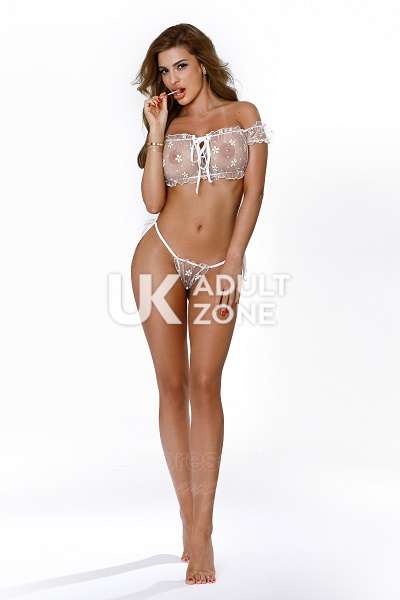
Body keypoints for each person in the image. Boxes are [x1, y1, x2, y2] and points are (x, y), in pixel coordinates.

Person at [130, 23, 271, 585]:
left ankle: (204, 528)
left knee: (205, 384)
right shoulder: (169, 123)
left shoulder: (243, 116)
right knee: (170, 386)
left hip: (218, 266)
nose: (172, 79)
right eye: (164, 71)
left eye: (180, 65)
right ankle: (187, 518)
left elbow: (253, 193)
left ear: (203, 63)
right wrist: (157, 130)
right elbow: (152, 201)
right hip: (159, 259)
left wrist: (234, 259)